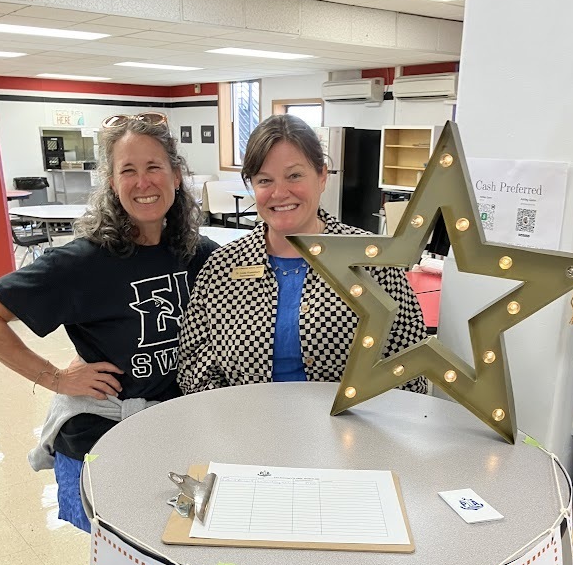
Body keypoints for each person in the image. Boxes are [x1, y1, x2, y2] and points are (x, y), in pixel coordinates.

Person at [0, 112, 217, 565]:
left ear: (177, 176)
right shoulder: (81, 263)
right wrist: (54, 376)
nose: (142, 181)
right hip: (108, 435)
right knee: (122, 545)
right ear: (112, 183)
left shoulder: (197, 255)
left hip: (179, 430)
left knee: (178, 539)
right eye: (127, 169)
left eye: (154, 166)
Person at [178, 114, 427, 395]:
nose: (279, 192)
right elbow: (194, 366)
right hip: (245, 430)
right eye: (264, 180)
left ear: (322, 176)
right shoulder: (222, 269)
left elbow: (410, 365)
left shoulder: (372, 261)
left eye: (294, 175)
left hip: (351, 433)